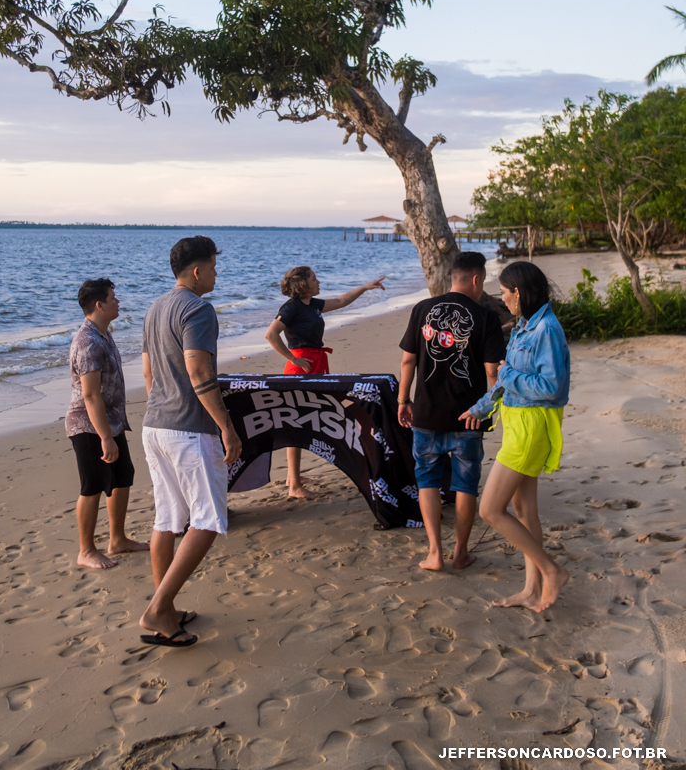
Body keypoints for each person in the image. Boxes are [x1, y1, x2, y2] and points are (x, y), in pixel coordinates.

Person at [138, 236, 242, 648]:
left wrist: (162, 407)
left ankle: (167, 606)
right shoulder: (197, 309)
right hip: (188, 428)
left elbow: (148, 374)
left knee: (166, 519)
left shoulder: (155, 308)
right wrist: (226, 427)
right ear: (197, 271)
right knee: (208, 519)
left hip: (155, 424)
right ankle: (159, 608)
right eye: (213, 266)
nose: (217, 273)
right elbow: (199, 372)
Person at [459, 260, 571, 613]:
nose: (502, 298)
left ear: (519, 293)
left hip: (532, 428)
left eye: (505, 293)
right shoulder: (524, 326)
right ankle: (530, 589)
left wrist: (510, 379)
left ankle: (552, 570)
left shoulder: (547, 330)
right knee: (524, 510)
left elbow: (553, 386)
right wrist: (479, 409)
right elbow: (505, 380)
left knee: (490, 509)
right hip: (516, 424)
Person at [397, 251, 505, 572]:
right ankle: (460, 553)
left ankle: (434, 553)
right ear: (476, 280)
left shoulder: (421, 310)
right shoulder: (486, 318)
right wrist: (492, 410)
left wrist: (404, 401)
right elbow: (492, 373)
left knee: (427, 481)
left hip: (426, 415)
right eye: (483, 282)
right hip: (468, 417)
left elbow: (408, 361)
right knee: (465, 485)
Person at [265, 266, 386, 498]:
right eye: (313, 278)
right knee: (297, 421)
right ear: (302, 283)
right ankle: (294, 487)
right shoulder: (291, 307)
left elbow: (341, 301)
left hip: (315, 363)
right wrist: (293, 359)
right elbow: (271, 334)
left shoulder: (313, 305)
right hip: (301, 366)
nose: (318, 281)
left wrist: (364, 287)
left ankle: (294, 476)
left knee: (305, 417)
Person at [65, 278, 149, 570]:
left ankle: (118, 539)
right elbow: (89, 395)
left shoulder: (103, 334)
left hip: (111, 421)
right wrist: (105, 437)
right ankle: (86, 550)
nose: (118, 302)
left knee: (123, 477)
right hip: (89, 426)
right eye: (113, 298)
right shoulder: (87, 342)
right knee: (93, 485)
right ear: (99, 305)